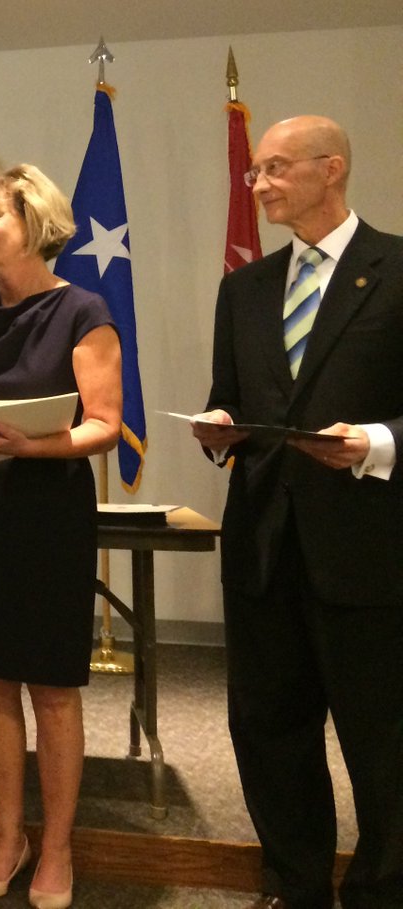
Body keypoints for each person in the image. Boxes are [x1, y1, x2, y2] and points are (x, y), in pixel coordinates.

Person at [191, 115, 403, 909]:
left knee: (383, 739)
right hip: (263, 548)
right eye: (255, 172)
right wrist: (218, 428)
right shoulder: (243, 289)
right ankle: (296, 882)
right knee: (270, 731)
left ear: (332, 168)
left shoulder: (397, 269)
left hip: (368, 550)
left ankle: (383, 889)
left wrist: (378, 441)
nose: (259, 185)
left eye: (276, 168)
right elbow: (232, 398)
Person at [0, 166, 121, 909]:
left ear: (35, 223)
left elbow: (104, 424)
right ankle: (8, 838)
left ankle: (58, 846)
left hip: (49, 512)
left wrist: (30, 446)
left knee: (52, 684)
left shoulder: (82, 310)